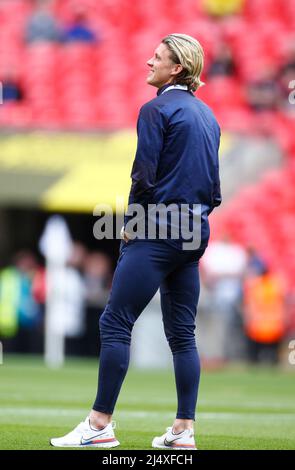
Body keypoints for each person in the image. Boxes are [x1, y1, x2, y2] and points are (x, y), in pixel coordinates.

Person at [50, 33, 221, 450]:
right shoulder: (209, 117)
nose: (149, 61)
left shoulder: (155, 109)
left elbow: (142, 175)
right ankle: (183, 431)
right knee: (183, 333)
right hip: (194, 230)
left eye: (158, 57)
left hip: (158, 227)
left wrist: (132, 221)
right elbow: (214, 191)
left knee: (114, 322)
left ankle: (99, 425)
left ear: (176, 68)